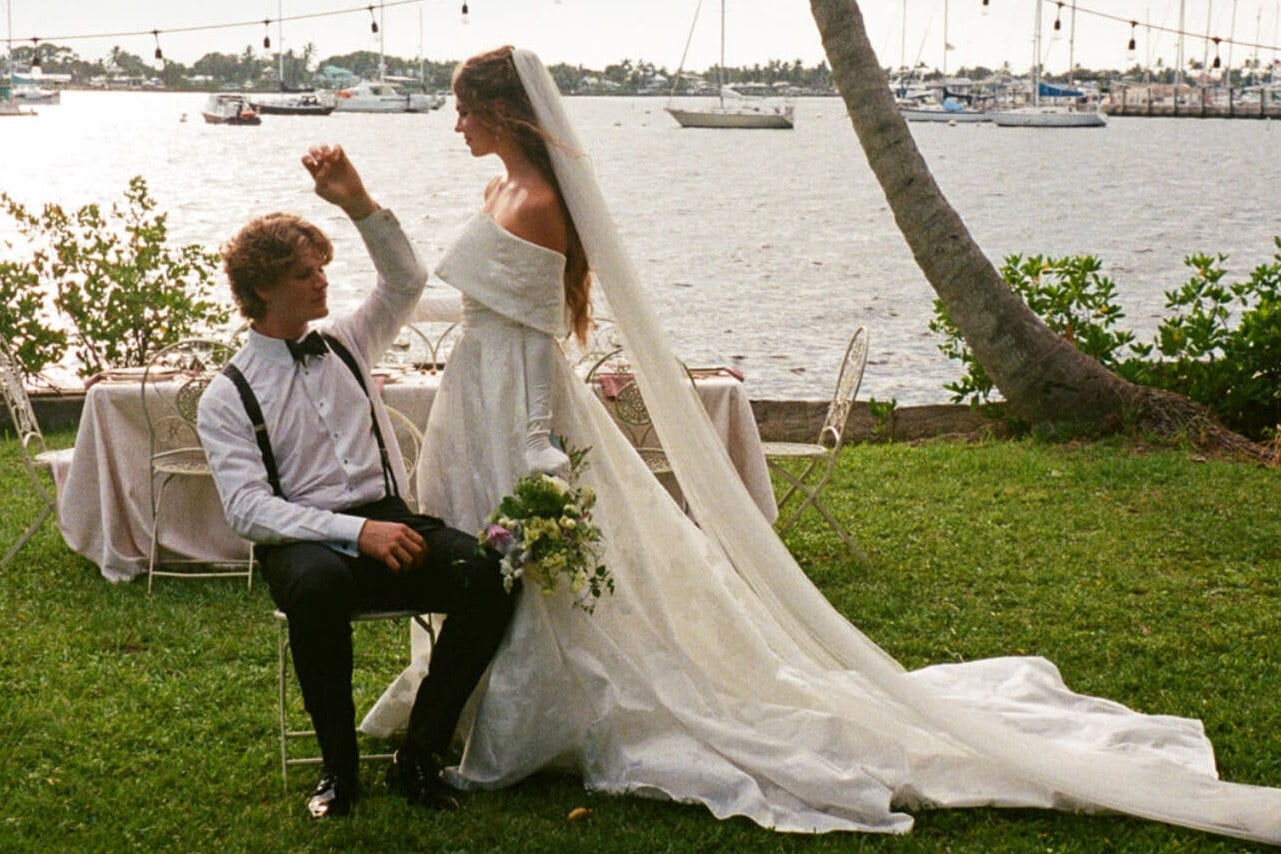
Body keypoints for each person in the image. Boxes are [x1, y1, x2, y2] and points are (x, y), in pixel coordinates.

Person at [361, 48, 1281, 843]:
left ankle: (510, 720)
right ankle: (465, 709)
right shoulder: (500, 191)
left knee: (521, 566)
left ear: (502, 111)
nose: (455, 126)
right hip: (468, 403)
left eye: (464, 110)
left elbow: (525, 350)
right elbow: (483, 309)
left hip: (505, 409)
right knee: (478, 565)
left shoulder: (537, 206)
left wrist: (534, 455)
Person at [196, 144, 516, 819]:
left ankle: (420, 754)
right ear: (260, 290)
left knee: (488, 576)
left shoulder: (346, 340)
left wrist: (356, 201)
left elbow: (405, 280)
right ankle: (338, 771)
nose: (321, 284)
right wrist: (354, 533)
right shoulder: (226, 395)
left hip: (390, 518)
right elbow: (250, 511)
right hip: (304, 540)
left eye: (321, 270)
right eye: (304, 276)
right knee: (316, 587)